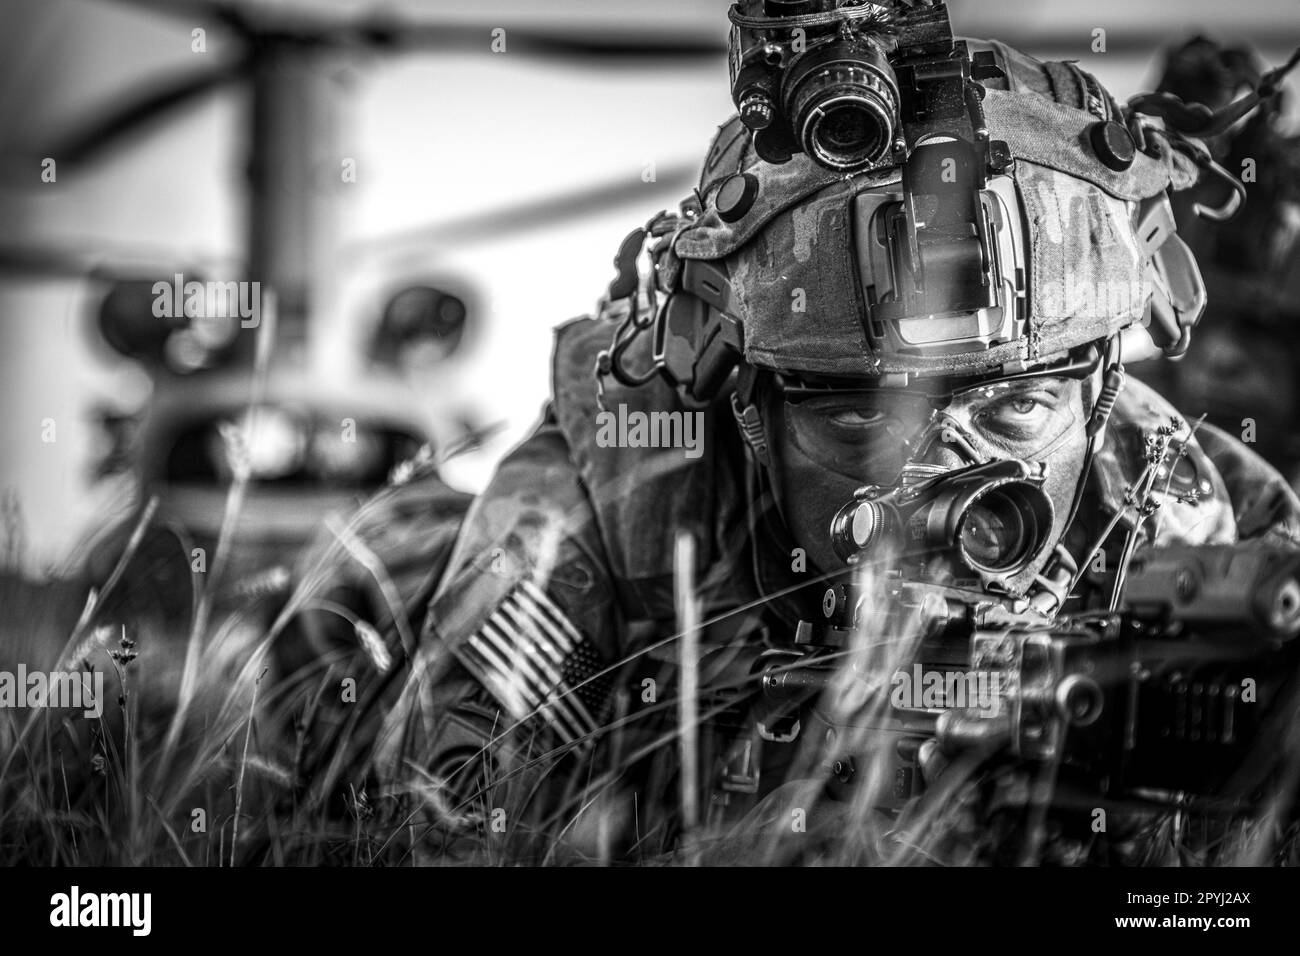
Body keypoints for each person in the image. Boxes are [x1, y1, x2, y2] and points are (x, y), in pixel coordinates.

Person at [306, 33, 1300, 866]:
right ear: (748, 408)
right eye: (861, 422)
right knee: (340, 618)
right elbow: (440, 832)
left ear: (1096, 390)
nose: (949, 486)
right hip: (392, 607)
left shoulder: (1175, 507)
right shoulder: (607, 504)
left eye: (1017, 410)